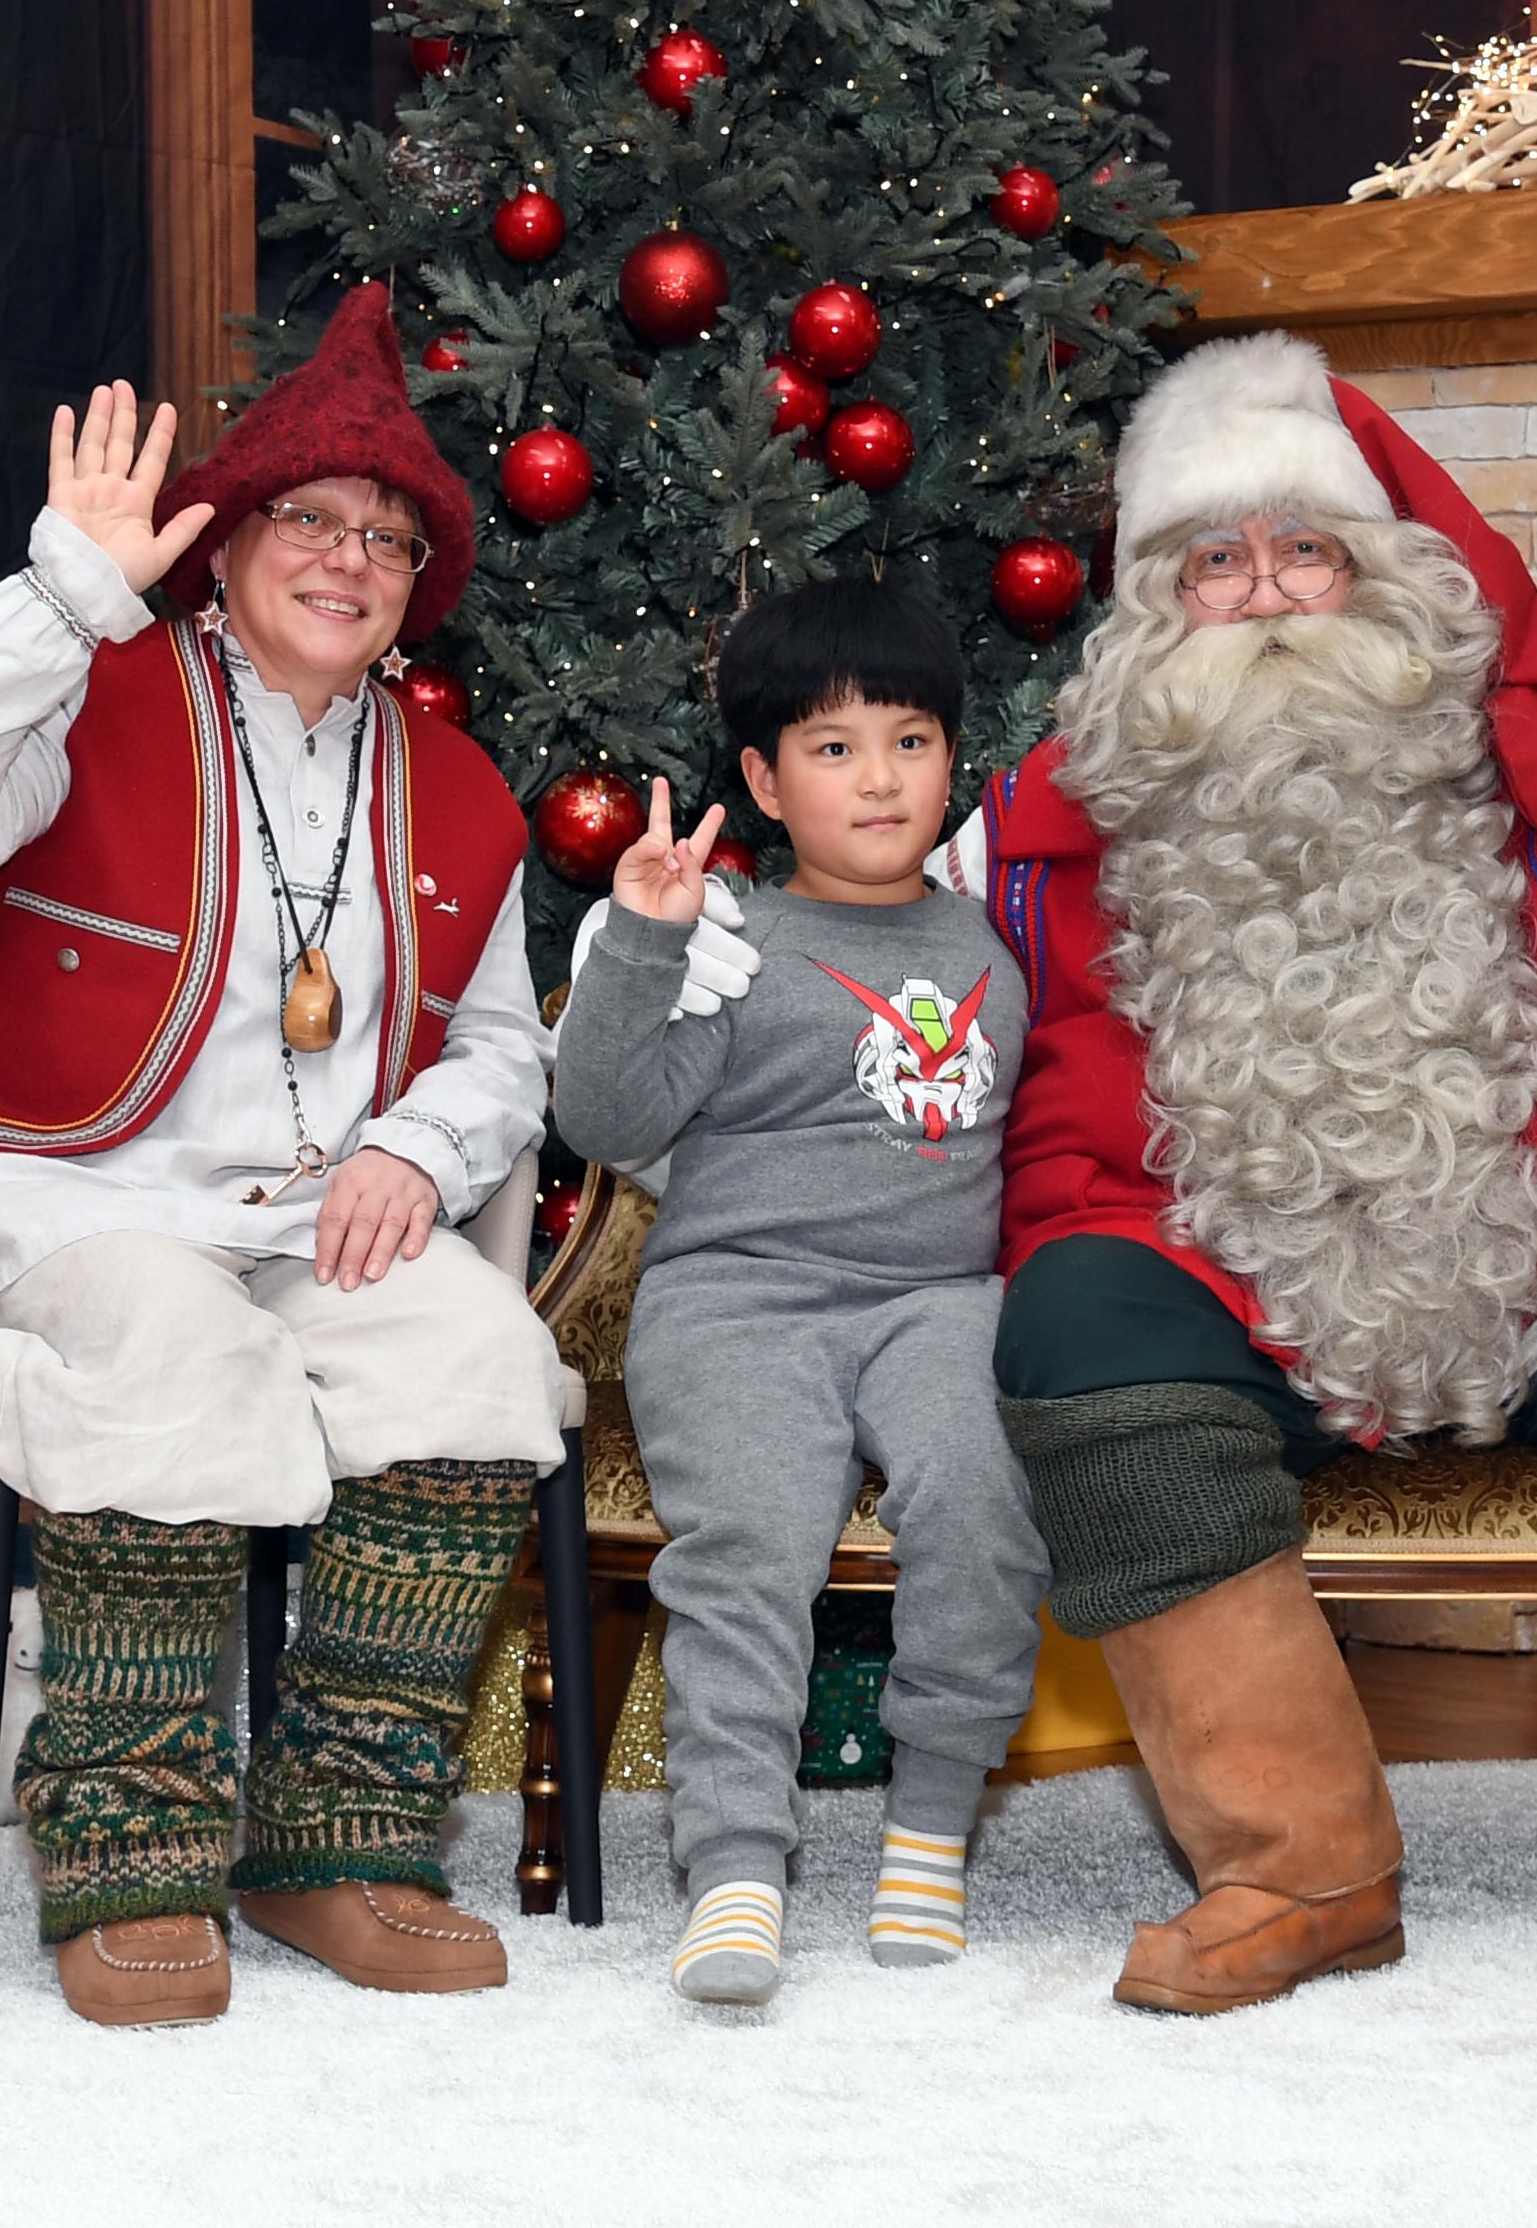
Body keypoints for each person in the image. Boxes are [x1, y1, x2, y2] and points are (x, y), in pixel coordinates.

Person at [623, 332, 1537, 2031]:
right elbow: (808, 965)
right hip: (1209, 1274)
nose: (1272, 595)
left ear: (1392, 580)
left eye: (1310, 549)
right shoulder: (1012, 837)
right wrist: (654, 952)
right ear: (1154, 609)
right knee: (1075, 1317)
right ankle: (1296, 1863)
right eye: (1216, 562)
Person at [0, 287, 565, 2028]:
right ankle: (131, 1857)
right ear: (220, 546)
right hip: (69, 1200)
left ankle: (334, 1844)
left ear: (414, 592)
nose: (346, 558)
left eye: (386, 538)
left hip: (315, 1215)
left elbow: (505, 1045)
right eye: (309, 518)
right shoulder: (80, 690)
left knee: (477, 1355)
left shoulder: (457, 789)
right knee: (173, 1343)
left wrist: (422, 1147)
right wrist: (65, 596)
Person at [552, 581, 1049, 2009]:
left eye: (908, 740)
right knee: (748, 1545)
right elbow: (599, 1114)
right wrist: (643, 941)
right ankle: (735, 1870)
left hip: (944, 1296)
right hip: (739, 1297)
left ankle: (931, 1829)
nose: (879, 776)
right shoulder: (732, 940)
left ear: (951, 760)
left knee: (979, 1489)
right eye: (832, 748)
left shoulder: (994, 944)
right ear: (764, 779)